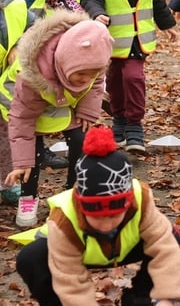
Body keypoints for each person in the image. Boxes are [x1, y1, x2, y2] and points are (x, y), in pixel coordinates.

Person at [15, 126, 180, 306]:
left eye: (113, 215)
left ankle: (140, 300)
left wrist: (164, 299)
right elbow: (71, 283)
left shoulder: (141, 199)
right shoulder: (64, 219)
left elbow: (164, 249)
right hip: (77, 254)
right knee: (30, 258)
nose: (105, 224)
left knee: (171, 236)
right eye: (96, 217)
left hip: (124, 248)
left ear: (127, 204)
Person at [81, 0, 177, 153]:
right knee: (114, 80)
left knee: (133, 77)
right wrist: (97, 13)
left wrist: (167, 24)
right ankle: (120, 121)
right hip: (112, 39)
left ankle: (135, 125)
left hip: (138, 39)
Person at [2, 13, 112, 228]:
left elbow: (97, 84)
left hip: (60, 99)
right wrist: (21, 162)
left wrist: (88, 111)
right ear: (66, 63)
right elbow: (22, 120)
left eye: (92, 74)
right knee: (32, 153)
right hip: (25, 103)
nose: (86, 80)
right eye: (81, 75)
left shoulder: (92, 63)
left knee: (81, 137)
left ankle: (73, 191)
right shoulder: (31, 75)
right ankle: (28, 196)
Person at [0, 0, 37, 207]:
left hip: (6, 87)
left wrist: (19, 46)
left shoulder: (15, 7)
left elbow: (37, 30)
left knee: (6, 133)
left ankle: (7, 183)